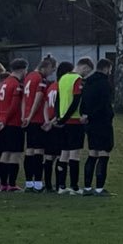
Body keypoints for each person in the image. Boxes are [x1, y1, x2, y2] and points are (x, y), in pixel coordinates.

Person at [79, 58, 115, 196]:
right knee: (104, 153)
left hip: (89, 123)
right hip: (102, 122)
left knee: (92, 153)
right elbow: (104, 104)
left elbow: (83, 100)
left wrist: (85, 115)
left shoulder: (88, 82)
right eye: (110, 69)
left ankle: (87, 188)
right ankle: (99, 188)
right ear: (106, 68)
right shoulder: (104, 84)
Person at [55, 58, 91, 194]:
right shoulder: (77, 79)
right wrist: (67, 117)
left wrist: (59, 117)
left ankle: (61, 186)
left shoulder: (63, 78)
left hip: (63, 120)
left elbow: (58, 99)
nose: (86, 74)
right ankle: (74, 187)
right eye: (87, 71)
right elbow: (76, 101)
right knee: (74, 154)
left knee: (64, 153)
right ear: (84, 67)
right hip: (74, 120)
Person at [20, 56, 55, 192]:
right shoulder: (41, 79)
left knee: (29, 150)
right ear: (46, 67)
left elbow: (24, 98)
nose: (51, 72)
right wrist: (30, 116)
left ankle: (29, 183)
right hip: (37, 119)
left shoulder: (28, 77)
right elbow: (38, 98)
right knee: (39, 151)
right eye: (51, 69)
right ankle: (38, 183)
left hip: (28, 118)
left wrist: (24, 115)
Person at [0, 59, 28, 192]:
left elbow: (0, 102)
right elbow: (14, 105)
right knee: (15, 153)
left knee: (5, 152)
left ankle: (3, 183)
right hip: (13, 123)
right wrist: (6, 119)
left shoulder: (5, 82)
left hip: (3, 122)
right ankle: (12, 183)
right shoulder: (16, 84)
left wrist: (0, 119)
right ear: (22, 69)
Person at [41, 62, 72, 192]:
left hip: (49, 123)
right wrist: (54, 120)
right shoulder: (63, 86)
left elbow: (46, 104)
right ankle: (60, 184)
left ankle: (48, 184)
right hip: (59, 123)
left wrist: (47, 120)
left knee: (49, 156)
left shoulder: (51, 86)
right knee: (61, 155)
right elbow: (62, 106)